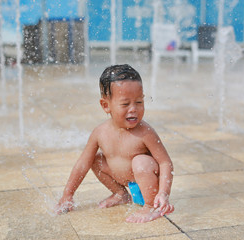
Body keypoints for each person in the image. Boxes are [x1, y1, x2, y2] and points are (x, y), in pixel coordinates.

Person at [56, 64, 174, 223]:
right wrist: (67, 195)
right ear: (106, 105)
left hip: (149, 187)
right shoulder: (100, 132)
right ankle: (121, 194)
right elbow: (82, 164)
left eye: (139, 102)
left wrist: (163, 193)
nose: (133, 109)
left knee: (141, 161)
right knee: (95, 159)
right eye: (125, 104)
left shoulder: (145, 132)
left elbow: (165, 162)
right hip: (127, 181)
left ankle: (151, 206)